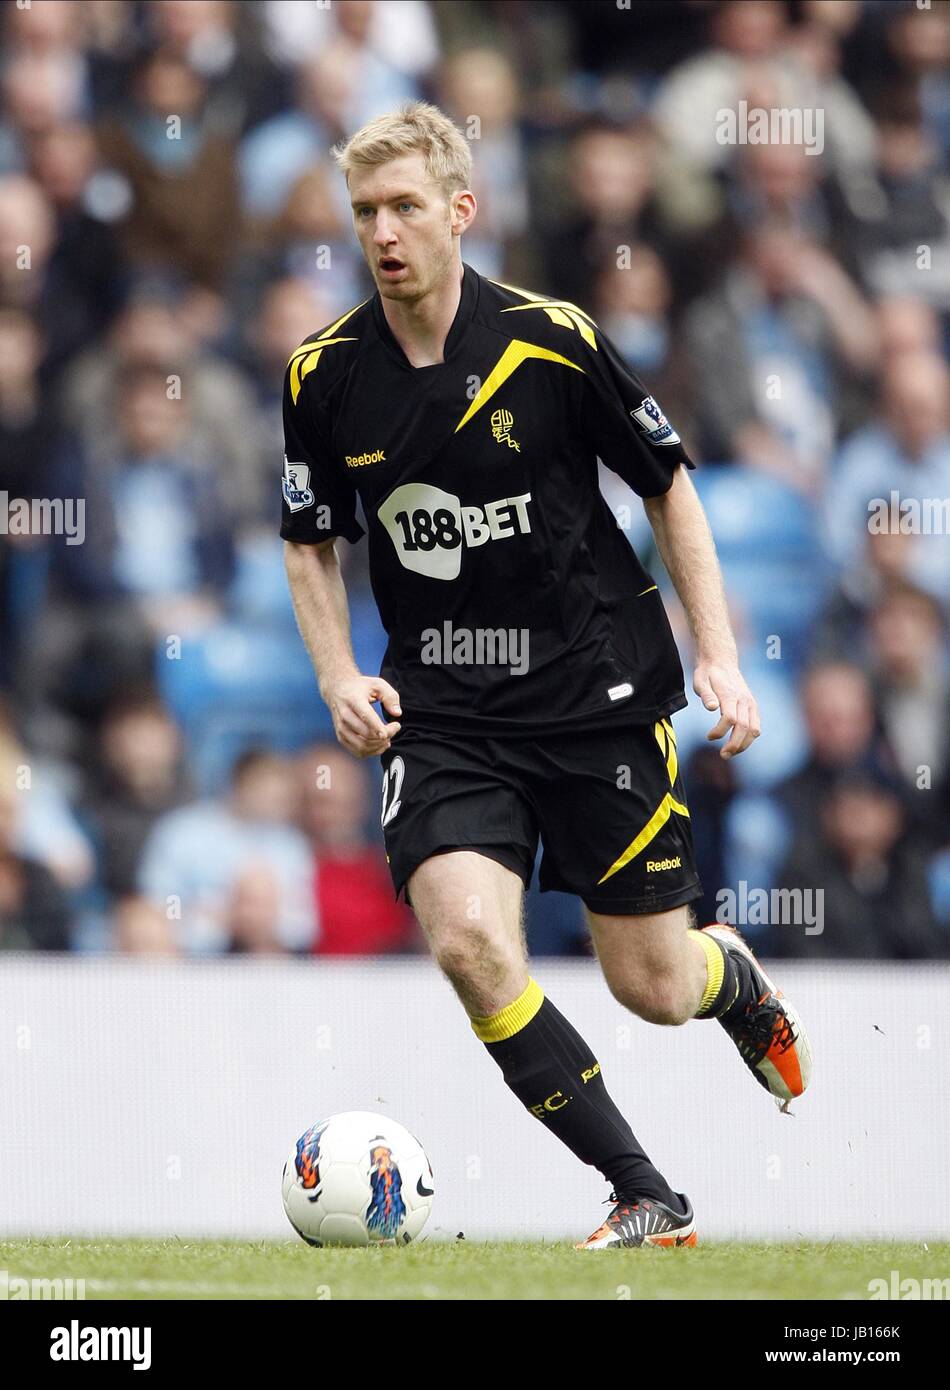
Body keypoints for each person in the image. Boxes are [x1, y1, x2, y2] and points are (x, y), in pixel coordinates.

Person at [281, 102, 811, 1250]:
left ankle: (732, 979)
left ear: (460, 212)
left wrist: (715, 652)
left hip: (595, 697)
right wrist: (334, 672)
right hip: (446, 712)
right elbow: (307, 534)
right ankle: (644, 1193)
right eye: (365, 210)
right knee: (470, 941)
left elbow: (666, 481)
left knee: (652, 987)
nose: (383, 230)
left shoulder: (551, 340)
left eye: (406, 207)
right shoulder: (322, 375)